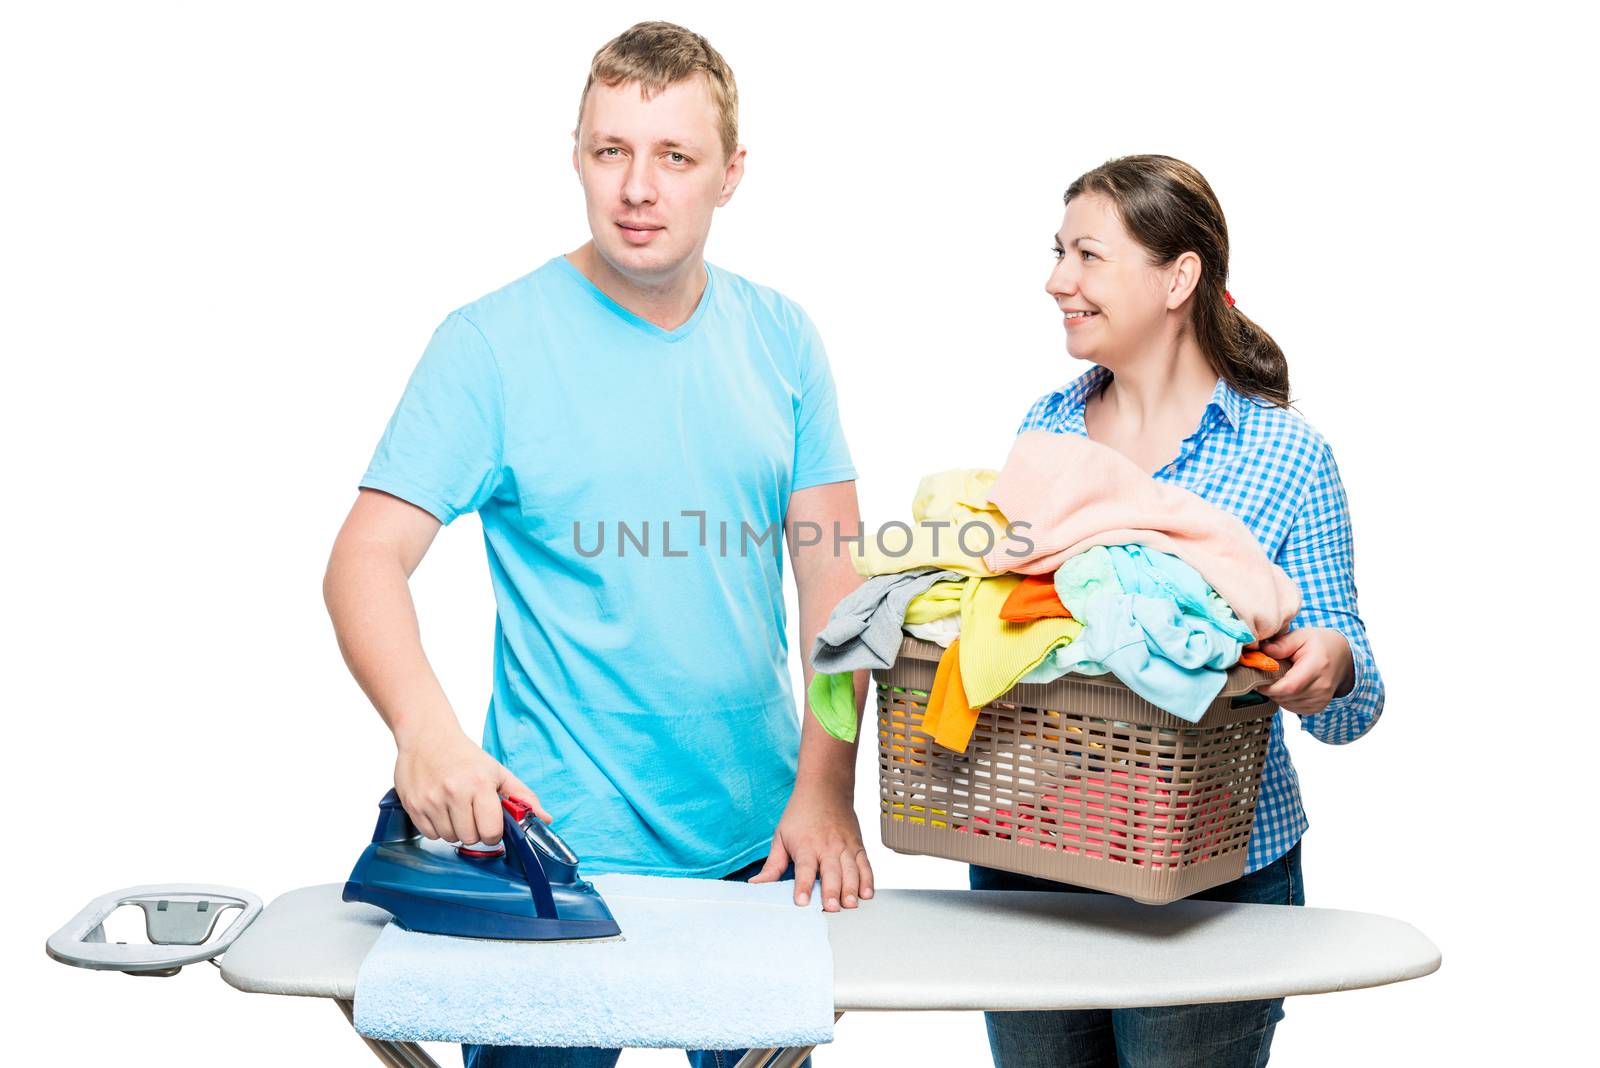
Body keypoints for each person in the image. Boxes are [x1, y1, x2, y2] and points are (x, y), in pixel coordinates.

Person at [321, 21, 872, 1068]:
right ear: (576, 153)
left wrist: (826, 787)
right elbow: (362, 559)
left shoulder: (784, 339)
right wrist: (426, 733)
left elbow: (835, 588)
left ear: (729, 175)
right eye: (611, 149)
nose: (638, 187)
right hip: (551, 853)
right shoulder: (488, 344)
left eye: (675, 156)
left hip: (760, 845)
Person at [968, 154, 1386, 1067]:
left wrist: (1332, 665)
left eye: (1087, 256)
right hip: (1034, 855)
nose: (1057, 281)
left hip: (1213, 879)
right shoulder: (1046, 431)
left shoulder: (1284, 454)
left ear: (1178, 278)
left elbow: (1357, 701)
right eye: (1057, 253)